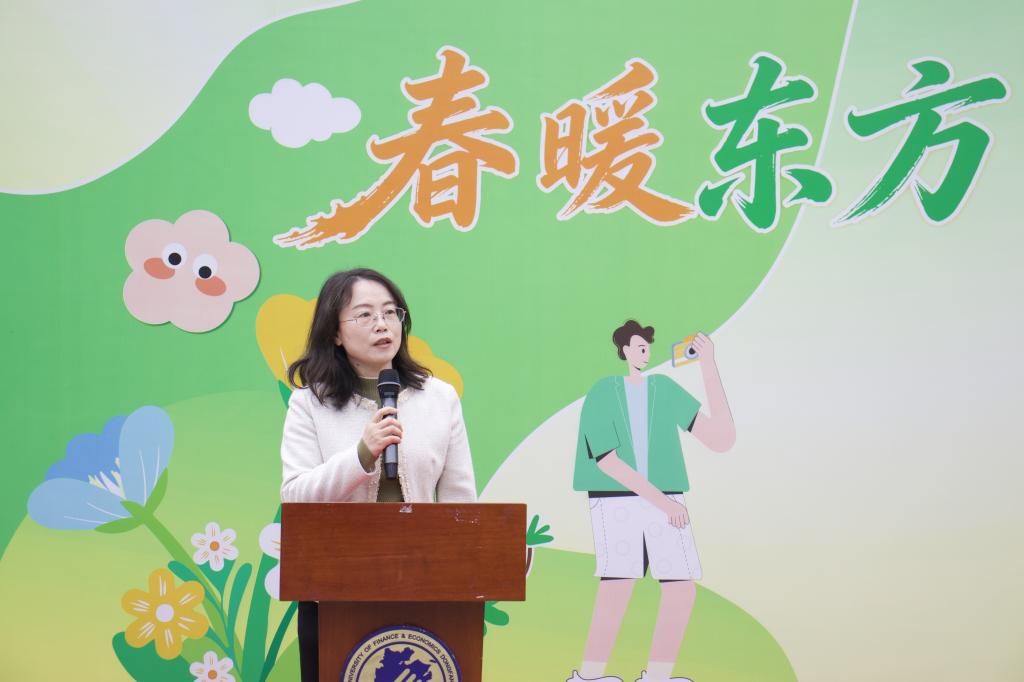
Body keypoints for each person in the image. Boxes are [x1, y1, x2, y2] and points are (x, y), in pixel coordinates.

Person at [279, 268, 477, 682]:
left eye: (391, 312)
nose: (383, 324)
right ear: (335, 332)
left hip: (424, 583)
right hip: (332, 588)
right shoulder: (309, 403)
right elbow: (296, 497)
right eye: (365, 315)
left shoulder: (439, 398)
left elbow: (460, 502)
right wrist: (361, 455)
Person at [569, 320, 735, 682]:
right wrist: (664, 504)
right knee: (618, 585)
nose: (645, 353)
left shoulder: (664, 389)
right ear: (624, 351)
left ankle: (658, 676)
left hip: (666, 496)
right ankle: (590, 676)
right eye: (639, 346)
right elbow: (608, 461)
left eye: (648, 347)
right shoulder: (603, 392)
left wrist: (708, 364)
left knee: (681, 589)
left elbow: (721, 438)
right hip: (616, 499)